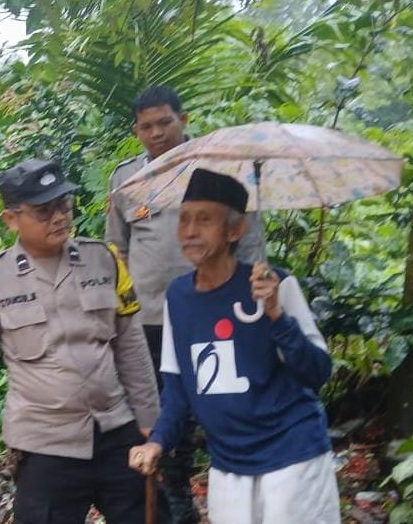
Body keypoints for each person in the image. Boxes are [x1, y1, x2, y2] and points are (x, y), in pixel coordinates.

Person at [128, 168, 340, 524]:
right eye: (184, 219)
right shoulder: (178, 296)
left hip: (292, 457)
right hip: (228, 463)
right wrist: (157, 442)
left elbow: (318, 372)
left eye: (205, 219)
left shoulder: (275, 286)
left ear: (235, 230)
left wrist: (276, 315)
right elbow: (178, 391)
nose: (190, 231)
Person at [0, 158, 160, 524]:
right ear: (11, 219)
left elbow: (131, 346)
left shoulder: (104, 259)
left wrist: (150, 421)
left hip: (115, 431)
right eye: (43, 211)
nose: (60, 217)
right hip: (44, 445)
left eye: (64, 204)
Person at [106, 84, 263, 523]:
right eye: (146, 127)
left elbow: (249, 239)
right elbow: (117, 248)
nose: (156, 133)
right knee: (156, 404)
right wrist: (118, 312)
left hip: (208, 311)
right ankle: (168, 492)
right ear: (136, 131)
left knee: (204, 398)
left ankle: (206, 489)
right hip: (148, 317)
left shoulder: (218, 170)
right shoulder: (126, 179)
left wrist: (249, 296)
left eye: (164, 122)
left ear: (184, 119)